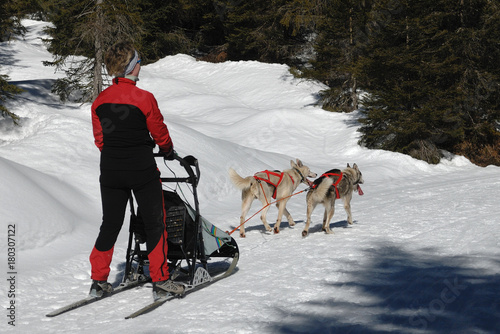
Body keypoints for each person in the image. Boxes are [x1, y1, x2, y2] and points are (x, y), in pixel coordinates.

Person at [89, 41, 184, 300]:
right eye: (139, 61)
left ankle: (98, 280)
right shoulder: (144, 99)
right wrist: (167, 150)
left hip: (110, 171)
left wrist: (117, 155)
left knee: (110, 224)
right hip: (142, 170)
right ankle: (161, 278)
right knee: (155, 223)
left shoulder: (99, 101)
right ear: (132, 67)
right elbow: (159, 132)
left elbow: (101, 139)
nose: (141, 65)